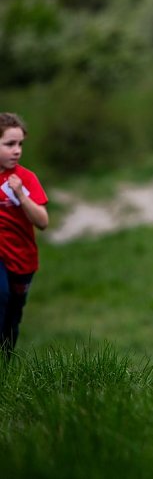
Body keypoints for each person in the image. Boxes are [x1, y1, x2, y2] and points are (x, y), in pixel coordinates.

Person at [0, 113, 49, 359]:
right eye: (9, 144)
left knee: (12, 315)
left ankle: (6, 366)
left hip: (23, 258)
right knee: (1, 295)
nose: (17, 150)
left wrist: (21, 195)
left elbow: (43, 222)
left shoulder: (25, 179)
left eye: (20, 144)